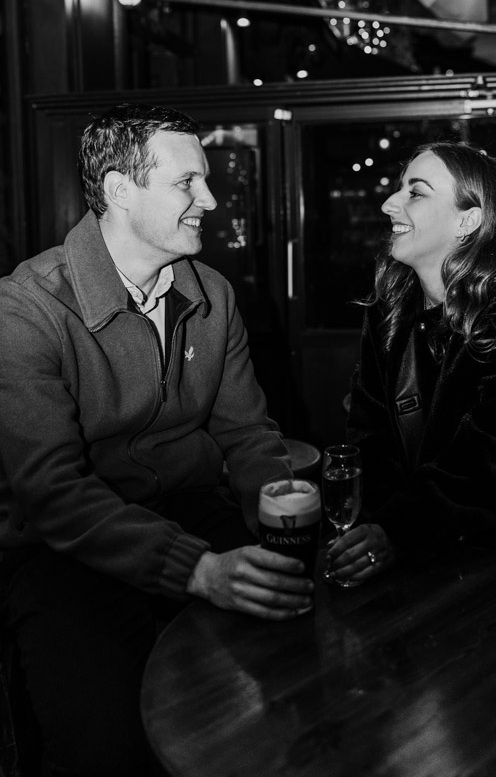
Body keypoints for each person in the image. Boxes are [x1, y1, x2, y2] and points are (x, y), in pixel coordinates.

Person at [0, 103, 313, 777]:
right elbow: (52, 494)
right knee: (110, 744)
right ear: (118, 190)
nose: (208, 198)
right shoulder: (24, 309)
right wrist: (200, 571)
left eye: (203, 180)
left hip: (192, 510)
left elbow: (245, 431)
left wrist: (283, 523)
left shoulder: (214, 293)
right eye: (186, 184)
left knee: (303, 663)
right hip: (64, 548)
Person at [325, 138, 496, 586]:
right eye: (399, 188)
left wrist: (399, 529)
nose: (391, 202)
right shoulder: (389, 307)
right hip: (419, 551)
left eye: (416, 191)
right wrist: (376, 524)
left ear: (467, 220)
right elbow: (368, 427)